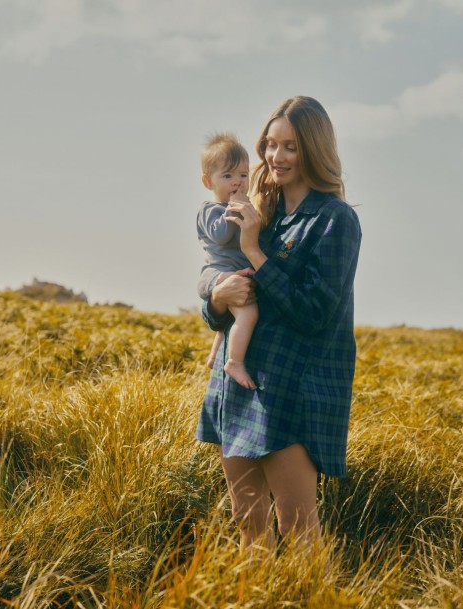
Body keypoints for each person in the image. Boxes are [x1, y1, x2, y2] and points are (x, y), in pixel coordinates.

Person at [195, 96, 362, 554]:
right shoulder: (258, 211)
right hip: (238, 387)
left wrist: (254, 252)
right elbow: (217, 282)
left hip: (293, 392)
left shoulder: (335, 221)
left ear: (314, 148)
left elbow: (313, 311)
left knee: (298, 529)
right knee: (248, 524)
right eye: (271, 145)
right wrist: (215, 296)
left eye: (290, 146)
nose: (276, 156)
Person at [197, 133, 259, 390]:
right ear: (208, 181)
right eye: (228, 176)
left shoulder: (242, 204)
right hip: (215, 274)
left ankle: (215, 355)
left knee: (229, 320)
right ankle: (234, 361)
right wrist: (235, 209)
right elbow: (221, 236)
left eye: (243, 175)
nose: (237, 182)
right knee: (249, 312)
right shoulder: (210, 210)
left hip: (230, 273)